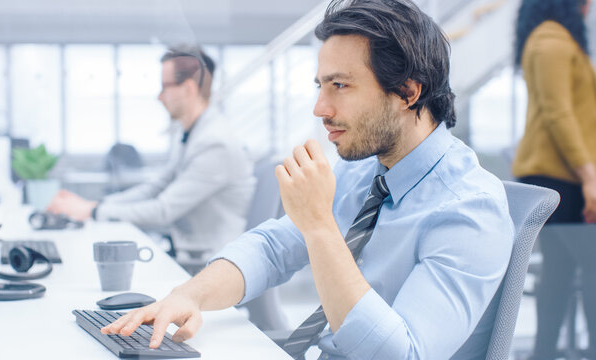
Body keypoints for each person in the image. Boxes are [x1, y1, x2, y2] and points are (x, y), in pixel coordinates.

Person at [102, 1, 514, 358]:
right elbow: (274, 248)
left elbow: (401, 352)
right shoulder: (364, 167)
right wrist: (188, 295)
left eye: (340, 86)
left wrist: (319, 225)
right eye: (320, 86)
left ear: (408, 92)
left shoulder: (471, 208)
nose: (320, 108)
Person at [47, 46, 255, 256]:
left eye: (165, 87)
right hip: (188, 250)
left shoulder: (215, 143)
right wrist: (95, 205)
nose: (160, 97)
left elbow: (163, 211)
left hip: (210, 261)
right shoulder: (193, 134)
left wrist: (93, 211)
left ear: (188, 89)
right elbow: (156, 188)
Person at [512, 0, 596, 358]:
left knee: (560, 276)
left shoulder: (553, 39)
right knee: (589, 273)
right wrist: (589, 176)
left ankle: (543, 353)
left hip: (561, 176)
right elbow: (559, 114)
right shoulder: (552, 42)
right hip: (562, 178)